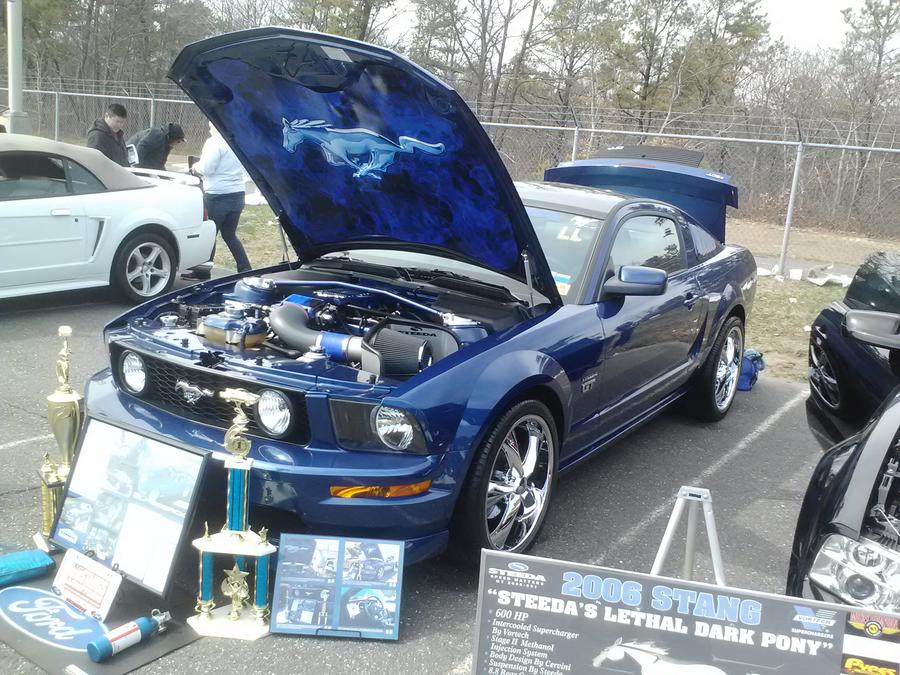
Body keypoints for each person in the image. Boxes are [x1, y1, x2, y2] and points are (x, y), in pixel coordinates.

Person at [189, 121, 251, 276]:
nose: (209, 128)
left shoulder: (214, 142)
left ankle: (202, 271)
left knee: (210, 234)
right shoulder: (238, 141)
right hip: (238, 193)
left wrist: (195, 167)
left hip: (217, 195)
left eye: (211, 125)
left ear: (217, 125)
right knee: (229, 234)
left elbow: (207, 168)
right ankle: (245, 268)